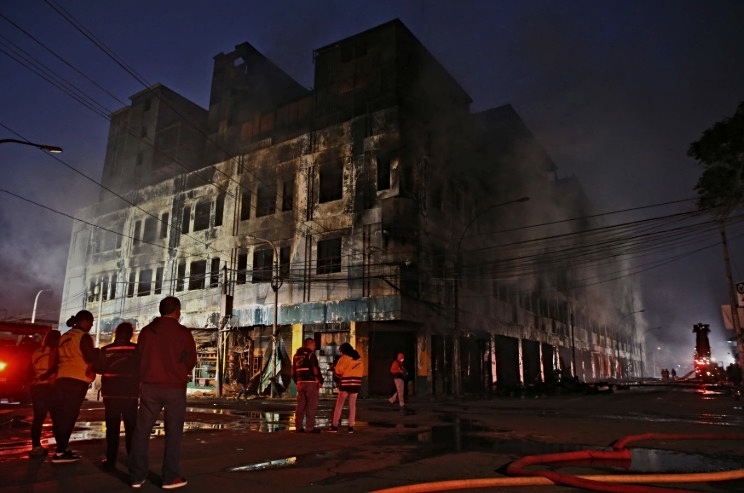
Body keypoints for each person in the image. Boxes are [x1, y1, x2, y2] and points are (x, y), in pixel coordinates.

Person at [128, 296, 196, 489]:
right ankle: (170, 476)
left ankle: (136, 475)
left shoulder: (147, 332)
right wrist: (181, 368)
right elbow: (191, 359)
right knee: (173, 433)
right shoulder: (183, 332)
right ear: (176, 311)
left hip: (150, 387)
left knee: (142, 432)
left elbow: (138, 357)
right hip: (174, 387)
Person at [51, 310, 98, 463]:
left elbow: (55, 359)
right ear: (85, 321)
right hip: (77, 380)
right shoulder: (83, 337)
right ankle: (61, 451)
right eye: (91, 322)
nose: (91, 325)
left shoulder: (64, 337)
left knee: (60, 415)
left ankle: (61, 448)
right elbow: (90, 357)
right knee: (69, 416)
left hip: (61, 379)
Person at [95, 322, 138, 470]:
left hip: (111, 394)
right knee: (131, 428)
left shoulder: (106, 350)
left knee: (112, 428)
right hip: (130, 394)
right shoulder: (136, 349)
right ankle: (133, 461)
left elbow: (98, 368)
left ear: (116, 333)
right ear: (131, 334)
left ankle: (111, 460)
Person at [27, 329, 61, 456]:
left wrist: (35, 380)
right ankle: (61, 447)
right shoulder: (55, 351)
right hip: (49, 387)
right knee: (56, 418)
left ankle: (36, 447)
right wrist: (43, 378)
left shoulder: (36, 352)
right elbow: (55, 368)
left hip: (36, 388)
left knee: (38, 418)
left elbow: (29, 369)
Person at [328, 342, 363, 433]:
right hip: (356, 384)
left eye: (341, 351)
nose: (341, 353)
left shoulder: (344, 358)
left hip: (345, 383)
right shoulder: (359, 359)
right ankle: (351, 427)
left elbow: (339, 370)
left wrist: (334, 369)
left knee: (339, 405)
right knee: (352, 406)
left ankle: (334, 426)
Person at [291, 338, 324, 433]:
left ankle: (298, 427)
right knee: (311, 405)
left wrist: (297, 381)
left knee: (300, 405)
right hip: (310, 383)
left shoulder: (296, 355)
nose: (314, 347)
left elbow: (293, 371)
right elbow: (315, 369)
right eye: (314, 345)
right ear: (309, 344)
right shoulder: (311, 354)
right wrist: (320, 380)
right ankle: (309, 428)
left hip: (300, 383)